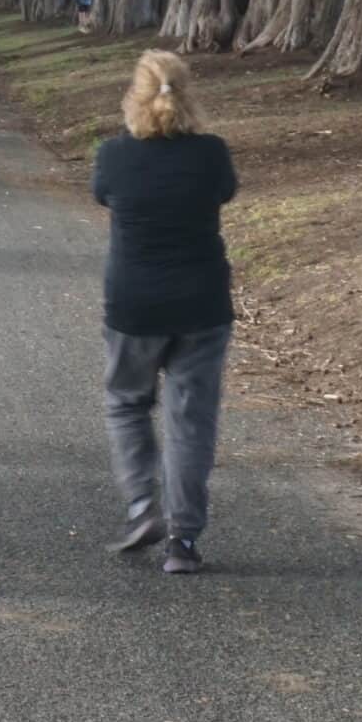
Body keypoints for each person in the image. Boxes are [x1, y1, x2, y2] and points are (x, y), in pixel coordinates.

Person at [91, 50, 238, 576]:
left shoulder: (114, 155)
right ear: (188, 94)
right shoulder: (211, 153)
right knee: (190, 421)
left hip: (134, 303)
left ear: (134, 95)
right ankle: (184, 541)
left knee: (128, 404)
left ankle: (140, 507)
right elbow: (224, 193)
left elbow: (103, 196)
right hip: (202, 303)